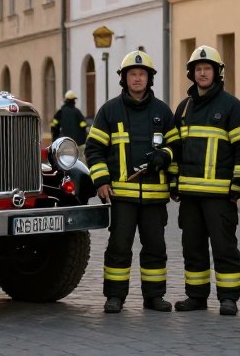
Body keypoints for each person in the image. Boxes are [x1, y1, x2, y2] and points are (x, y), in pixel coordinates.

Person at [85, 50, 179, 314]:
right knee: (119, 247)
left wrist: (165, 155)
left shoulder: (162, 111)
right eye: (132, 74)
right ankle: (115, 296)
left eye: (142, 74)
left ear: (149, 79)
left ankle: (154, 296)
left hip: (154, 197)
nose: (137, 79)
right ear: (124, 79)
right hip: (121, 196)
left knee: (155, 248)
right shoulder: (109, 111)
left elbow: (177, 146)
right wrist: (102, 181)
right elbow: (94, 149)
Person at [168, 46, 240, 316]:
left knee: (224, 248)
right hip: (190, 196)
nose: (202, 73)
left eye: (207, 69)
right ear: (192, 73)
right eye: (198, 69)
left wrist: (237, 185)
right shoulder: (184, 108)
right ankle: (196, 296)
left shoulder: (232, 107)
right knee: (193, 248)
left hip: (220, 196)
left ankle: (229, 298)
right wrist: (174, 181)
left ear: (217, 73)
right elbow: (176, 149)